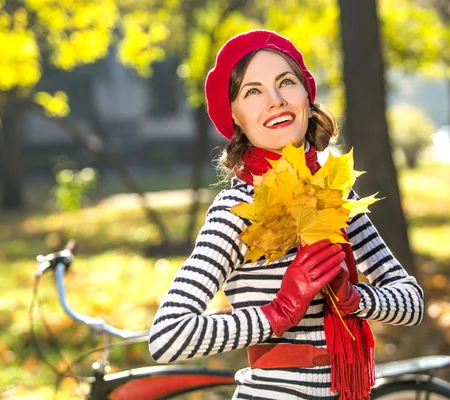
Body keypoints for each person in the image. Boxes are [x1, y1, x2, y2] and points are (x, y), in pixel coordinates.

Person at [148, 30, 424, 400]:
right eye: (253, 91)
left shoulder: (335, 194)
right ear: (235, 116)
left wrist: (354, 298)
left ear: (307, 97)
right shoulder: (236, 211)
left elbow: (412, 302)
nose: (276, 101)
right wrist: (279, 312)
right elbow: (169, 337)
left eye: (286, 82)